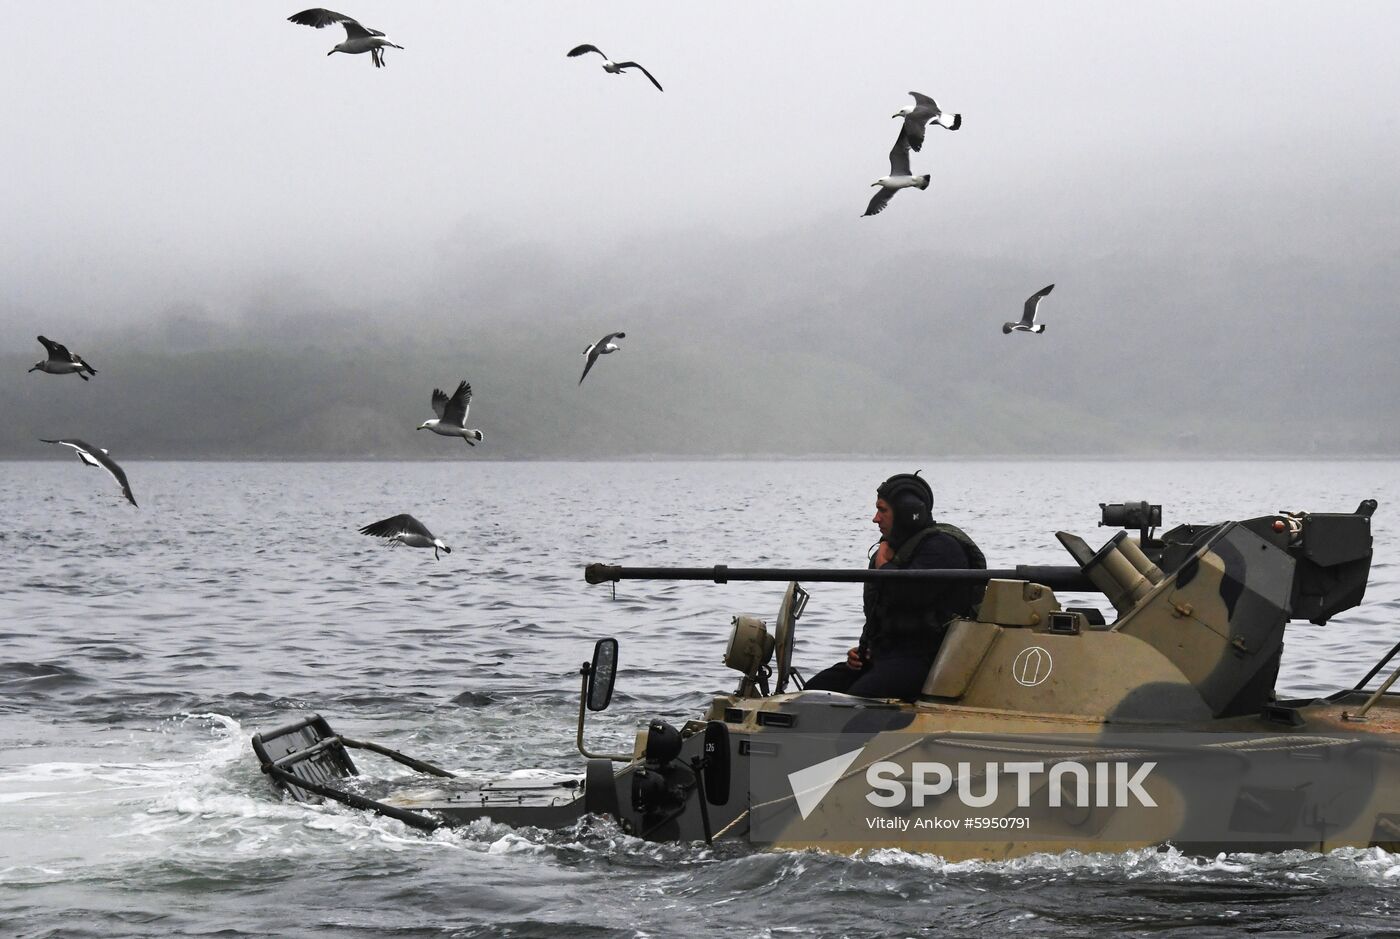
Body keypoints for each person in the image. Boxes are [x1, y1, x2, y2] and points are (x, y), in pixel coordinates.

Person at [804, 472, 986, 700]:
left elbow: (907, 594)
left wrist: (883, 565)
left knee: (857, 701)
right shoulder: (896, 550)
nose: (875, 519)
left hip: (927, 660)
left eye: (883, 510)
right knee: (813, 692)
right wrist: (862, 650)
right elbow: (879, 611)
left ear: (907, 513)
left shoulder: (942, 548)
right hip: (885, 655)